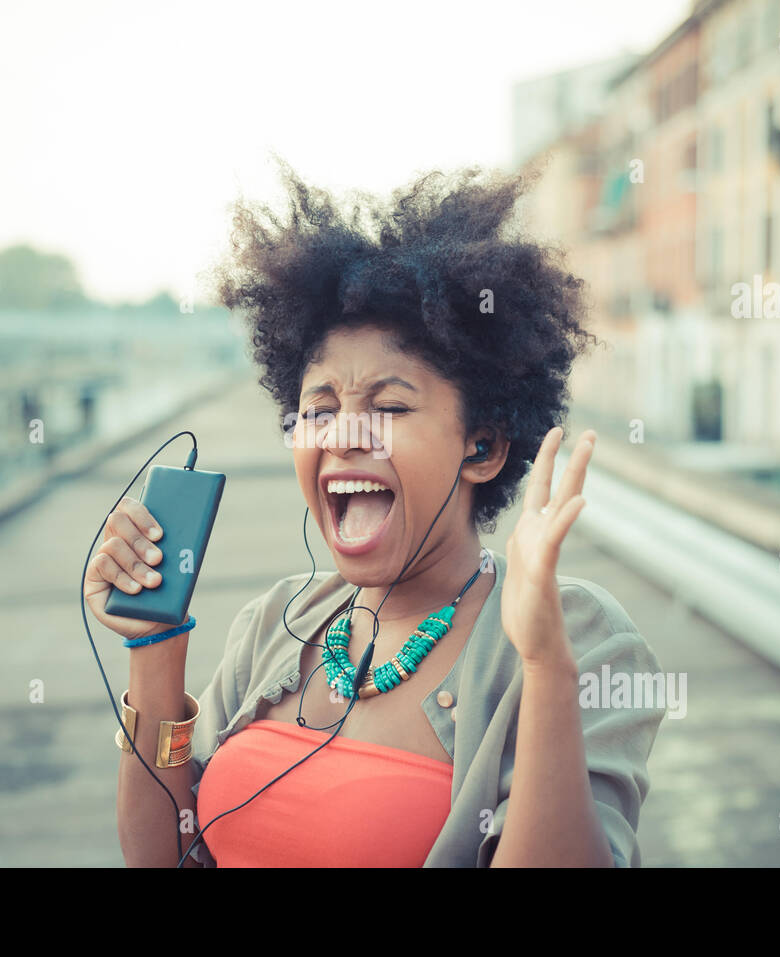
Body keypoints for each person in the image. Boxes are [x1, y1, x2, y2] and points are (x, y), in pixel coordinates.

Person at [84, 160, 667, 867]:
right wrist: (155, 650)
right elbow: (160, 858)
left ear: (481, 446)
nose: (342, 434)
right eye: (319, 409)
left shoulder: (578, 639)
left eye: (389, 407)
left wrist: (545, 665)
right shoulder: (276, 623)